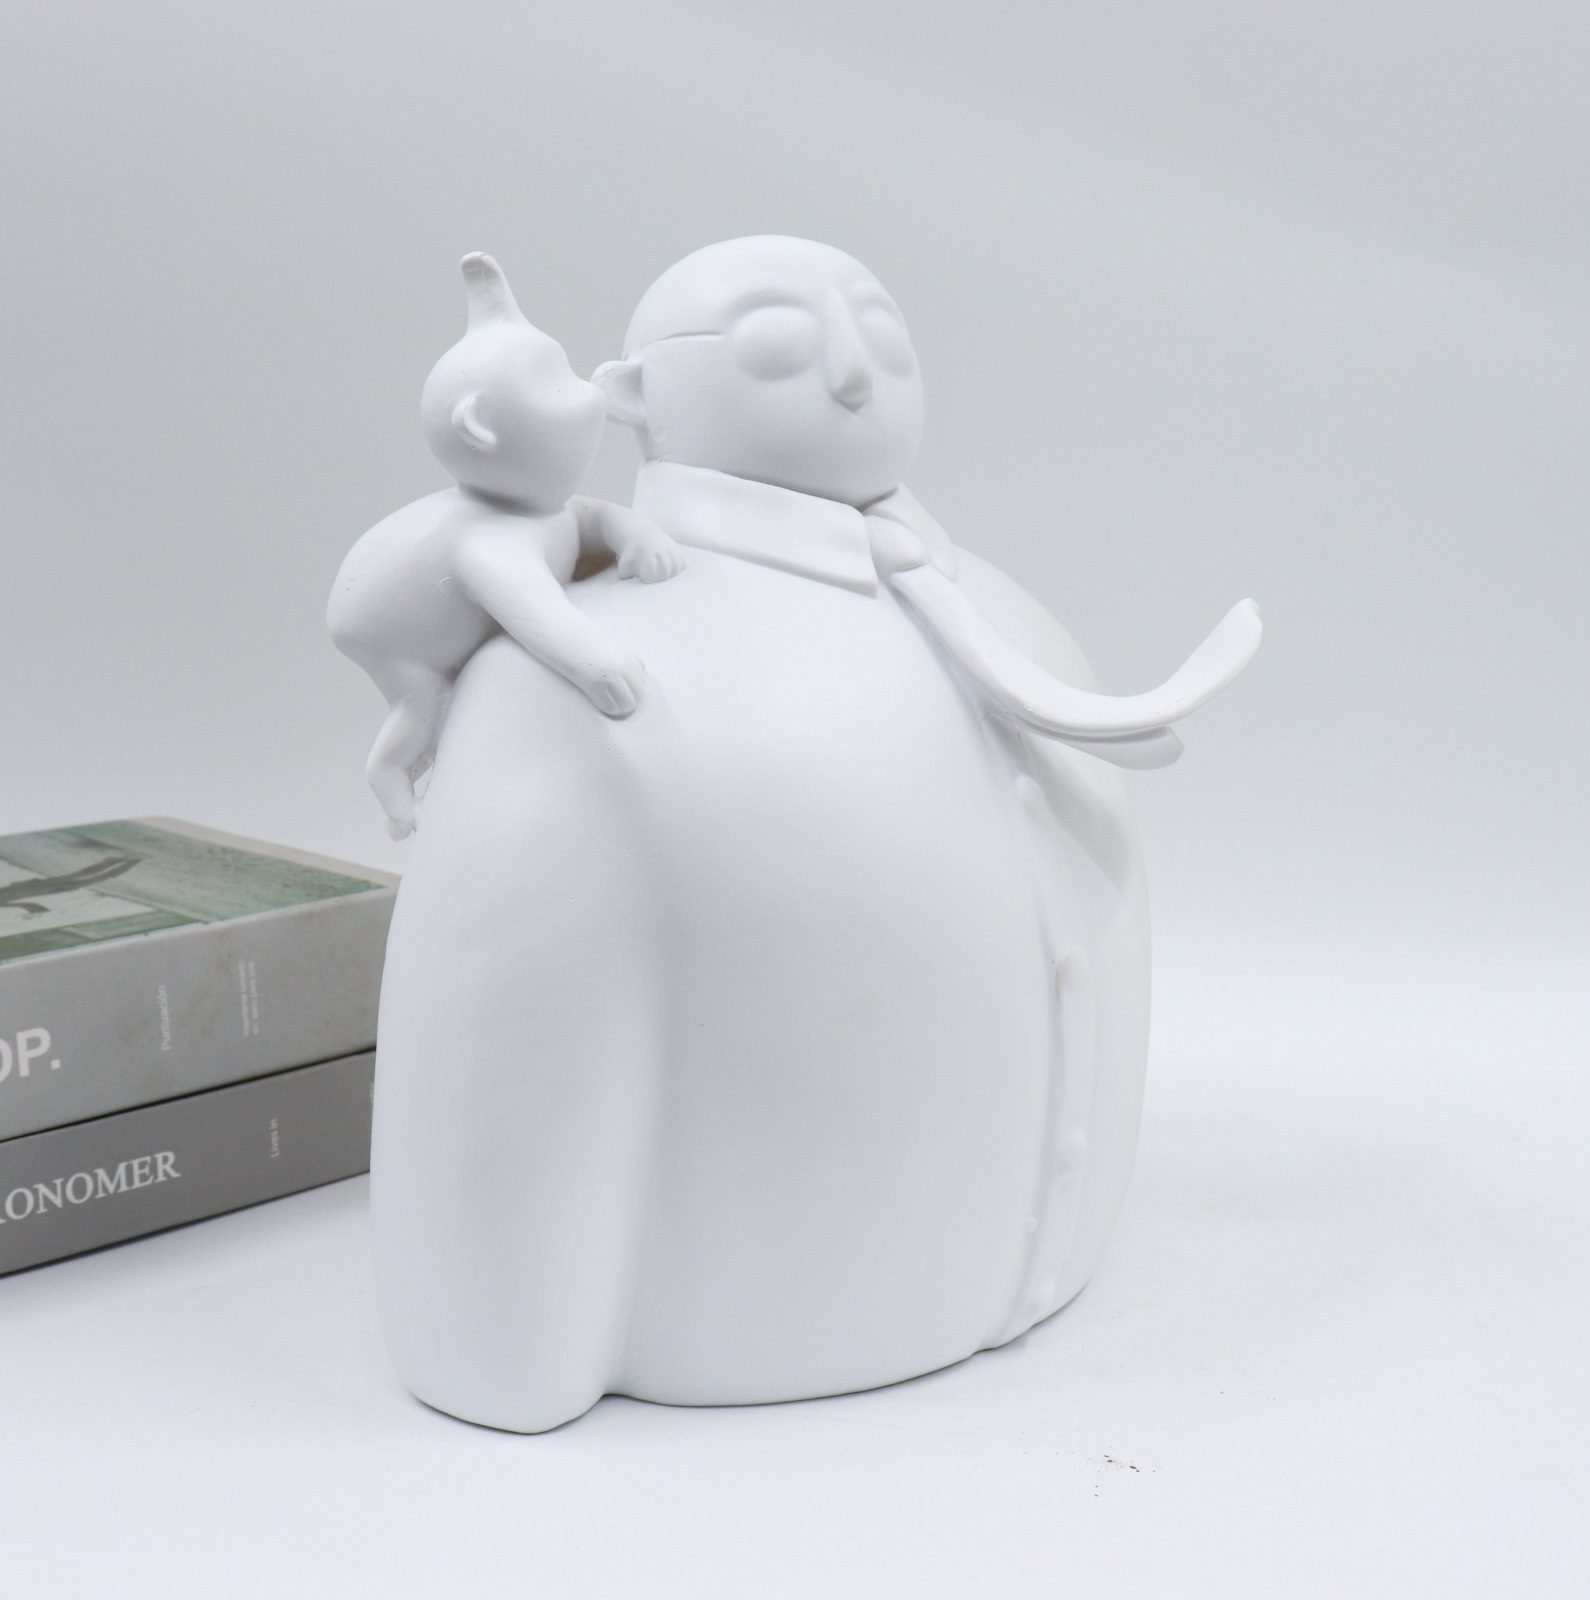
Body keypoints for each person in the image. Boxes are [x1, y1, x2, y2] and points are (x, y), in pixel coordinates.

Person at [366, 236, 1258, 1432]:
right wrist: (496, 1358)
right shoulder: (587, 675)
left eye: (880, 332)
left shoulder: (1017, 623)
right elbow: (498, 1039)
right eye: (777, 342)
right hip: (750, 1337)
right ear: (631, 395)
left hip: (1045, 1323)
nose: (851, 370)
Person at [328, 253, 683, 839]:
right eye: (554, 386)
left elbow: (590, 518)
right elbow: (535, 610)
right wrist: (599, 665)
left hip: (382, 599)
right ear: (480, 430)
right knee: (422, 701)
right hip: (383, 630)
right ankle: (389, 777)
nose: (590, 395)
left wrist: (632, 532)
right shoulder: (493, 541)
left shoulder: (539, 512)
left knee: (434, 705)